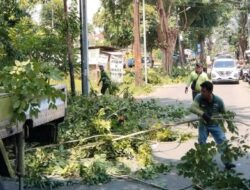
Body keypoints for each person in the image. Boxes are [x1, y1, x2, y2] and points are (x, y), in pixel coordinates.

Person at [190, 81, 236, 170]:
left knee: (222, 141)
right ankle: (203, 162)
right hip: (203, 124)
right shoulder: (199, 97)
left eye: (204, 91)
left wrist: (230, 124)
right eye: (201, 91)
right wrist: (203, 114)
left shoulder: (218, 101)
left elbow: (225, 114)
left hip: (215, 125)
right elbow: (192, 107)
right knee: (202, 142)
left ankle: (227, 162)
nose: (201, 93)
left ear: (210, 92)